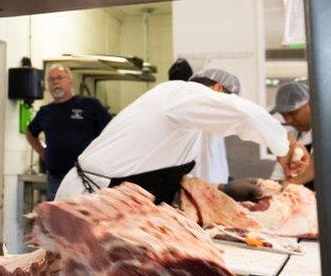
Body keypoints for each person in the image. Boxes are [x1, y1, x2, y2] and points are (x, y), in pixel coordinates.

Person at [55, 68, 310, 204]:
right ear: (217, 89)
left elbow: (162, 177)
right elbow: (241, 114)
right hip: (89, 200)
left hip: (117, 204)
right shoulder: (179, 92)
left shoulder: (185, 123)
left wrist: (224, 190)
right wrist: (284, 147)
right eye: (225, 99)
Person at [24, 65, 111, 200]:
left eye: (59, 78)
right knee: (56, 219)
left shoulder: (90, 105)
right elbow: (30, 133)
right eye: (51, 79)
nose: (55, 82)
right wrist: (43, 153)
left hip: (85, 178)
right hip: (56, 180)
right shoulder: (45, 111)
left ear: (70, 80)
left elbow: (110, 130)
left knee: (85, 218)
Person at [271, 82, 315, 187]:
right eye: (284, 115)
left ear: (311, 104)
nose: (289, 120)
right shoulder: (292, 135)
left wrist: (289, 184)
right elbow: (277, 176)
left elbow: (316, 167)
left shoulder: (329, 133)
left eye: (292, 113)